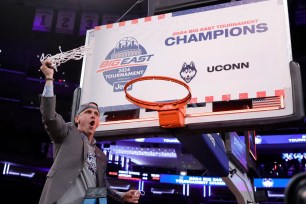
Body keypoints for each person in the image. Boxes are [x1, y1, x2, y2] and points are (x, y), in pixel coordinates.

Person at [39, 58, 141, 204]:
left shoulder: (100, 155)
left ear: (98, 122)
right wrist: (49, 78)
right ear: (77, 119)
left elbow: (101, 187)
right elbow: (49, 116)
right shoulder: (67, 133)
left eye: (96, 114)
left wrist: (121, 195)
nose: (93, 115)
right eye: (88, 112)